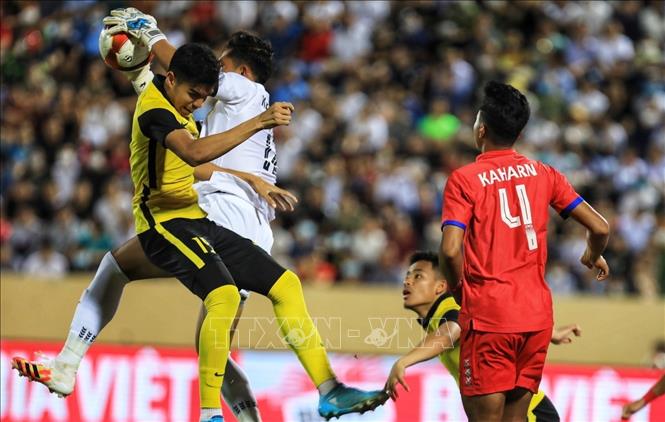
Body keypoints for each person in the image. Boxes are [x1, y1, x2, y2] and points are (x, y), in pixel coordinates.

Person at [12, 9, 388, 422]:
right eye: (199, 90)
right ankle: (308, 395)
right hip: (241, 219)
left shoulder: (241, 89)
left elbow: (183, 82)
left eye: (221, 67)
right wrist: (250, 174)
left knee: (143, 283)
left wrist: (150, 33)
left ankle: (79, 366)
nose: (207, 91)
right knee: (213, 340)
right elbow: (181, 129)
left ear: (241, 70)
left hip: (218, 211)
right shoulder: (201, 112)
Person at [439, 81, 610, 422]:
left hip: (489, 317)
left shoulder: (465, 179)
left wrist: (460, 291)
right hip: (536, 318)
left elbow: (450, 249)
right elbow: (600, 227)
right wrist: (592, 255)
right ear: (518, 133)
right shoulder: (545, 173)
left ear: (481, 130)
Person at [386, 251, 584, 421]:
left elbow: (451, 331)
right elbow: (502, 316)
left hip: (529, 413)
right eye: (407, 276)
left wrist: (403, 362)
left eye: (418, 276)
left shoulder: (450, 307)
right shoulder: (442, 316)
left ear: (440, 287)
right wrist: (551, 333)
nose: (407, 281)